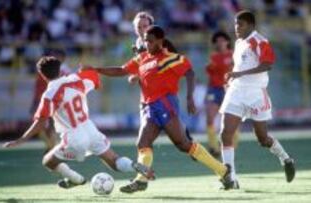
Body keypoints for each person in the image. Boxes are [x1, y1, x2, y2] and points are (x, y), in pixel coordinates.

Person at [82, 25, 233, 193]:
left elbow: (189, 73)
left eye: (151, 41)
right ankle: (141, 179)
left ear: (160, 41)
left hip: (165, 105)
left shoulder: (170, 58)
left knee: (183, 145)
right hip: (148, 107)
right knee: (142, 143)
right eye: (146, 40)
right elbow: (121, 70)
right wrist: (96, 70)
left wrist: (190, 97)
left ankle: (223, 171)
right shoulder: (142, 58)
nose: (147, 44)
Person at [3, 56, 155, 189]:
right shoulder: (77, 79)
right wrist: (89, 69)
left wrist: (22, 139)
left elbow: (41, 123)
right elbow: (95, 79)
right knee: (115, 161)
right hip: (90, 130)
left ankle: (76, 179)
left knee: (48, 161)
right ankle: (134, 166)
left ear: (42, 75)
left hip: (74, 137)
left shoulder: (49, 94)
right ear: (60, 69)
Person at [219, 10, 296, 189]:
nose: (237, 27)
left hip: (255, 94)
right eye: (235, 24)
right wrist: (233, 79)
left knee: (262, 139)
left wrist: (239, 73)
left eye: (241, 24)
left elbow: (267, 64)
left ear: (251, 25)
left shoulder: (259, 41)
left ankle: (285, 158)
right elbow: (242, 64)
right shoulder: (239, 43)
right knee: (225, 133)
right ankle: (231, 179)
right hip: (237, 92)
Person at [205, 31, 238, 157]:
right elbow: (210, 74)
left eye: (222, 40)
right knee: (209, 118)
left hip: (229, 90)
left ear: (227, 42)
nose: (219, 43)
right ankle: (213, 148)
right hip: (214, 90)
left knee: (232, 120)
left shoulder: (234, 56)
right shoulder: (213, 57)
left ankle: (231, 146)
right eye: (217, 41)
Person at [30, 49, 71, 152]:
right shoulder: (55, 68)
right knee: (45, 126)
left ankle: (52, 147)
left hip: (49, 100)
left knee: (47, 126)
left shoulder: (62, 70)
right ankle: (51, 146)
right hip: (44, 99)